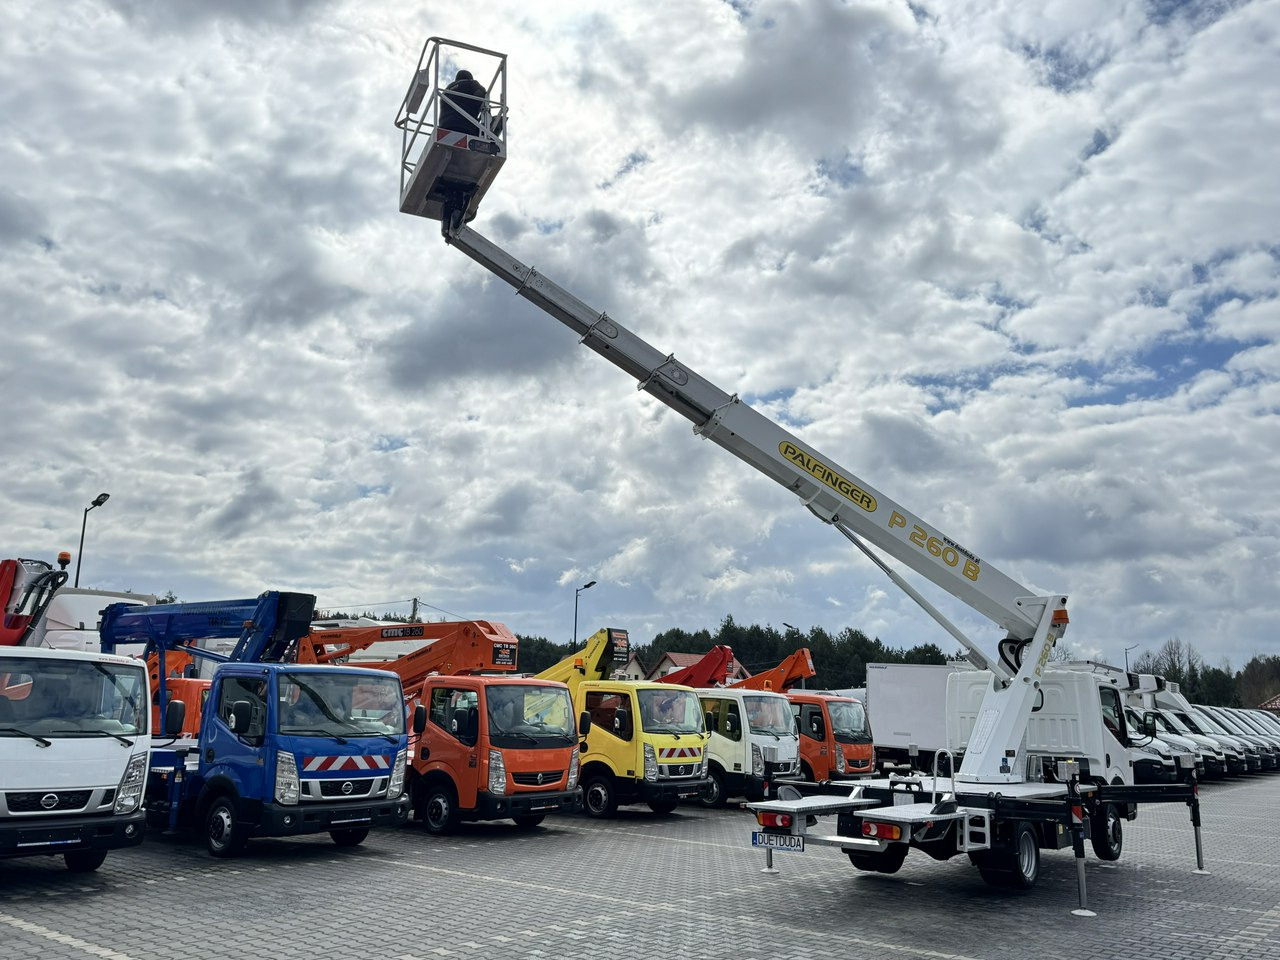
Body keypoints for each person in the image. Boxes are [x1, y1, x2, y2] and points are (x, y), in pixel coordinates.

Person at [438, 68, 487, 135]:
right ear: (469, 78)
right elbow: (482, 96)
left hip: (444, 127)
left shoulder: (445, 92)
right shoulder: (471, 83)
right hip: (464, 127)